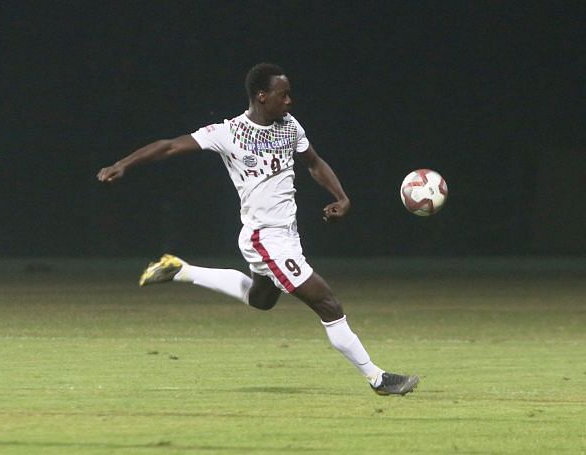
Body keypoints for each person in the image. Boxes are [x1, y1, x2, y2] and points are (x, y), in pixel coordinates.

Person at [97, 63, 418, 396]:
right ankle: (378, 378)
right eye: (283, 94)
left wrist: (341, 197)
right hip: (264, 238)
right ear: (262, 96)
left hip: (286, 236)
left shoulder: (289, 127)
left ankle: (180, 270)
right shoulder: (229, 132)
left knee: (261, 300)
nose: (290, 101)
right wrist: (123, 164)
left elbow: (314, 162)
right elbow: (169, 146)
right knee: (327, 303)